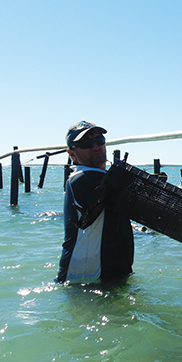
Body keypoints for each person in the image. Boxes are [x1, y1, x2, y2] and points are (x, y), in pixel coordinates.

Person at [56, 121, 134, 284]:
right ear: (72, 153)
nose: (95, 146)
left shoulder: (106, 179)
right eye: (86, 144)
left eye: (100, 140)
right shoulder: (82, 179)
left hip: (110, 274)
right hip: (84, 278)